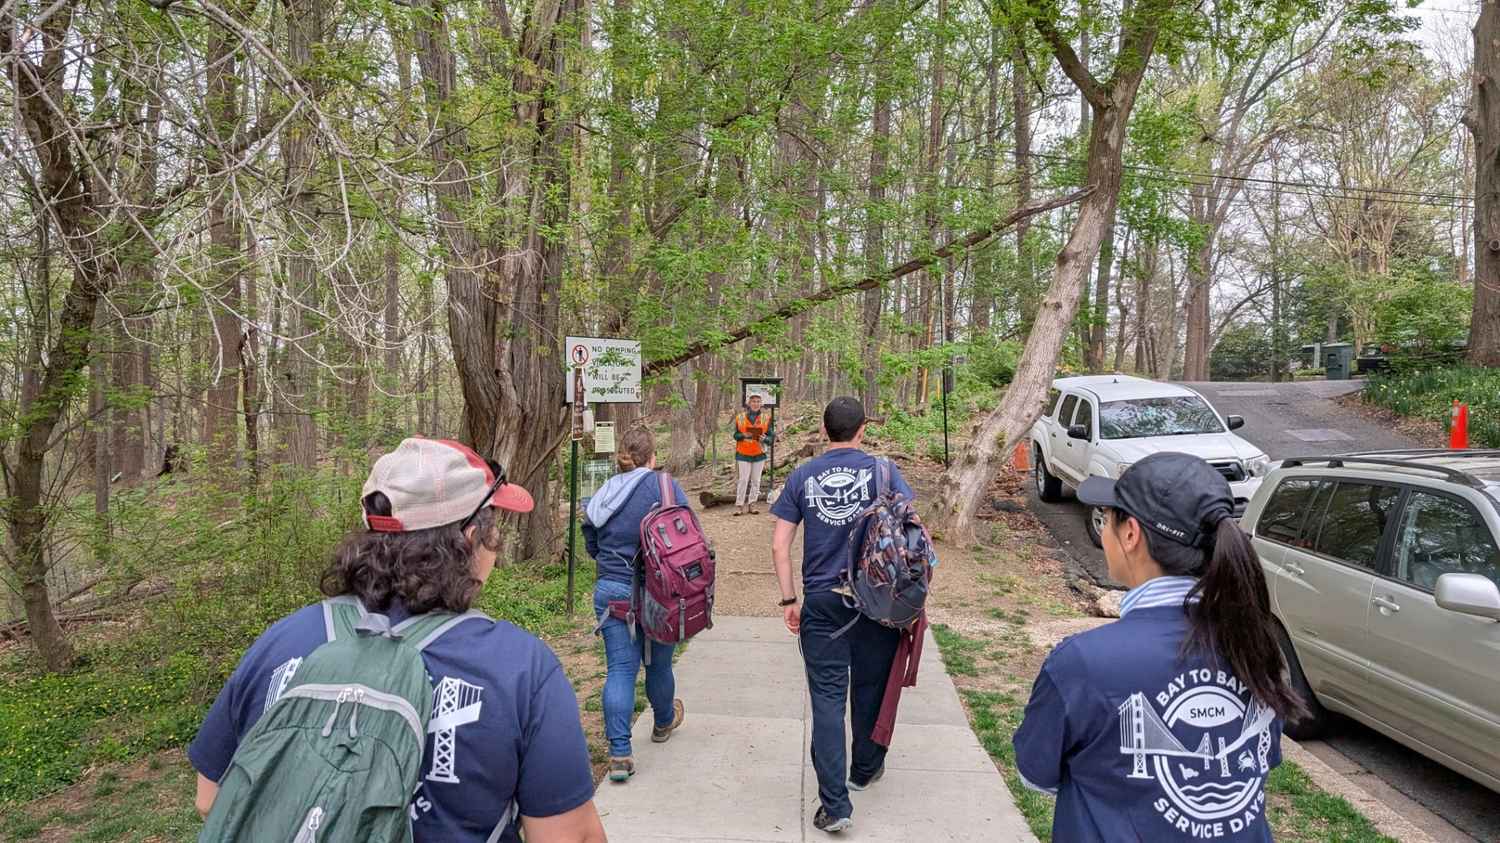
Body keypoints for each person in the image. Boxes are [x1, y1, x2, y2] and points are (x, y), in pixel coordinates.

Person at [189, 437, 605, 843]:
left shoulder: (281, 642)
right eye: (494, 531)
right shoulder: (521, 667)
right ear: (470, 537)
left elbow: (211, 799)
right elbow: (568, 835)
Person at [1012, 452, 1306, 842]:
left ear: (1130, 534)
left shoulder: (1082, 663)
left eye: (1108, 518)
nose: (1104, 530)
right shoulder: (1256, 648)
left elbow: (1035, 775)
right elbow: (1256, 763)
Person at [770, 396, 915, 835]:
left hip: (822, 600)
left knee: (828, 700)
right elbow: (912, 533)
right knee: (870, 685)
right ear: (862, 429)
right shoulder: (885, 472)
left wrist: (789, 600)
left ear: (823, 429)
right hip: (877, 600)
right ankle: (865, 768)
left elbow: (780, 545)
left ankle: (835, 804)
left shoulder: (801, 475)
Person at [582, 426, 689, 784]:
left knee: (621, 669)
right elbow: (688, 533)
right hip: (661, 590)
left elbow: (590, 540)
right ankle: (662, 722)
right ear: (652, 456)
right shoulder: (664, 486)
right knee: (659, 663)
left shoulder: (605, 492)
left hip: (613, 588)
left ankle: (619, 754)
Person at [732, 393, 775, 516]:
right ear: (748, 403)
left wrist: (765, 439)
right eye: (753, 401)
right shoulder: (740, 417)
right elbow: (735, 435)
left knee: (756, 480)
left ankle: (752, 504)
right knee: (743, 480)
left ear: (761, 404)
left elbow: (771, 437)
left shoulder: (766, 418)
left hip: (759, 453)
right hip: (743, 453)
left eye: (758, 401)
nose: (755, 403)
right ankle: (739, 505)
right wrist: (742, 435)